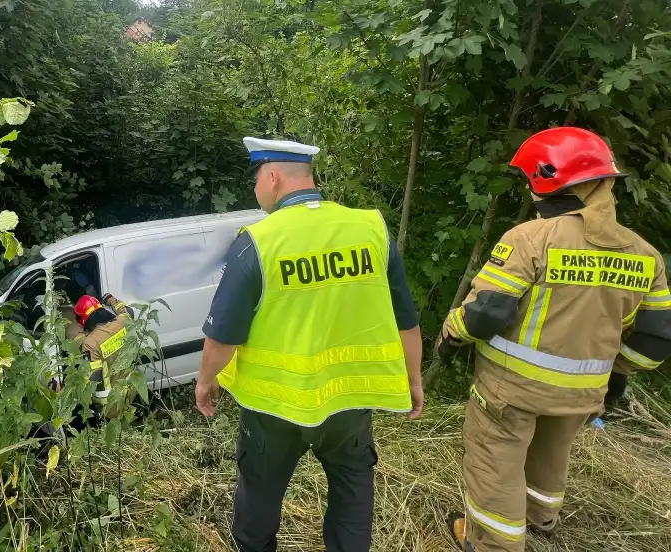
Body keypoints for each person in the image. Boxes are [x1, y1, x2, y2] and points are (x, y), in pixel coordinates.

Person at [442, 127, 671, 552]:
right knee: (551, 457)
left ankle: (492, 544)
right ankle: (540, 520)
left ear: (545, 180)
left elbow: (488, 312)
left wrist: (451, 334)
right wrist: (618, 374)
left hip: (510, 391)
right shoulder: (645, 255)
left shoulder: (532, 239)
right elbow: (657, 339)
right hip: (582, 394)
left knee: (495, 467)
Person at [195, 137, 424, 552]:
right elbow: (405, 319)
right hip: (349, 400)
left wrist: (205, 380)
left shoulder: (260, 241)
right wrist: (414, 379)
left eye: (256, 181)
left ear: (273, 177)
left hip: (273, 409)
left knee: (260, 498)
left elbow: (223, 335)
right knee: (353, 491)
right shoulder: (371, 228)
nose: (256, 191)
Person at [73, 293, 133, 418]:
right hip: (132, 390)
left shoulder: (90, 343)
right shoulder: (122, 322)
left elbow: (94, 377)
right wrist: (111, 300)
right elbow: (129, 311)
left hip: (109, 404)